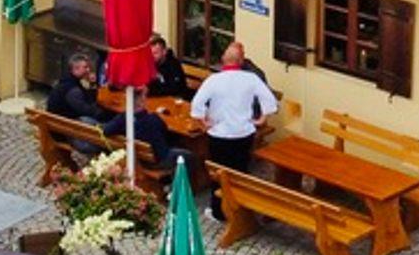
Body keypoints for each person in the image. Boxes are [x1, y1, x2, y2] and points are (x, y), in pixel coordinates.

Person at [47, 49, 177, 162]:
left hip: (59, 125)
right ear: (75, 69)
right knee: (104, 119)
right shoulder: (73, 90)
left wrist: (93, 88)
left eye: (88, 67)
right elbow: (88, 111)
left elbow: (87, 103)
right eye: (85, 67)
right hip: (67, 132)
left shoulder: (66, 82)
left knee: (110, 120)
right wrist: (106, 112)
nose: (88, 70)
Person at [190, 49, 279, 174]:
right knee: (240, 169)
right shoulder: (251, 79)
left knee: (218, 171)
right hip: (243, 133)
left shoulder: (213, 80)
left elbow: (197, 103)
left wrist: (203, 122)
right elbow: (270, 100)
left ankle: (217, 186)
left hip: (219, 133)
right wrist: (261, 119)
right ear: (241, 61)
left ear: (223, 60)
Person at [146, 34, 191, 99]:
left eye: (155, 53)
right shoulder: (151, 63)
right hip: (158, 98)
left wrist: (152, 90)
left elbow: (174, 89)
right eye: (151, 53)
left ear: (164, 52)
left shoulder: (173, 65)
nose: (152, 56)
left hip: (176, 99)